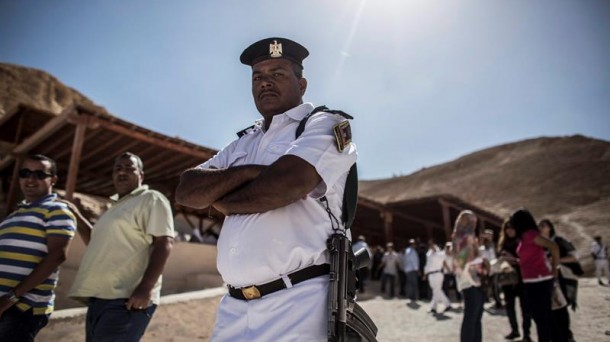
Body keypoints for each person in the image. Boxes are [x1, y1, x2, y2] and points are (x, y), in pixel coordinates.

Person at [175, 37, 357, 340]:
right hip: (233, 307)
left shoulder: (325, 124)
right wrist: (248, 171)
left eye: (277, 74)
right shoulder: (244, 142)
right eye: (258, 76)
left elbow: (287, 184)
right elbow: (187, 191)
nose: (265, 83)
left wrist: (223, 199)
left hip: (299, 301)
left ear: (302, 84)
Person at [69, 152, 175, 341]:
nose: (122, 172)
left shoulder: (151, 198)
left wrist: (146, 287)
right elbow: (94, 242)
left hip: (127, 300)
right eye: (118, 168)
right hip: (99, 297)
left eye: (129, 168)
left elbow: (164, 243)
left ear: (141, 175)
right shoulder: (115, 207)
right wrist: (76, 215)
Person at [0, 154, 76, 341]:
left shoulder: (56, 210)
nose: (31, 179)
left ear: (53, 179)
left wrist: (10, 298)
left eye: (40, 174)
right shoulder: (13, 216)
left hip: (21, 308)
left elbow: (57, 255)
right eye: (25, 173)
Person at [511, 208, 559, 342]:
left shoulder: (531, 234)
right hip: (531, 280)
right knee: (541, 316)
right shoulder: (524, 237)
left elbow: (553, 247)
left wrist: (555, 268)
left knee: (541, 317)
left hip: (540, 279)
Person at [452, 210, 488, 342]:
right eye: (470, 221)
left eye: (474, 221)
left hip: (477, 279)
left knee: (477, 317)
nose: (473, 224)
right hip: (468, 280)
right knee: (471, 317)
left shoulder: (471, 237)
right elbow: (460, 261)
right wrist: (473, 253)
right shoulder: (460, 237)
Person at [539, 219, 577, 342]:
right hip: (545, 280)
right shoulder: (538, 244)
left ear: (550, 227)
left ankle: (566, 335)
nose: (541, 228)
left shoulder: (559, 241)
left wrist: (556, 260)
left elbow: (573, 257)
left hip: (561, 279)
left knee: (561, 310)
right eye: (539, 226)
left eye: (543, 225)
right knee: (549, 312)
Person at [497, 219, 532, 341]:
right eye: (507, 228)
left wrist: (512, 259)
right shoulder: (503, 244)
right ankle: (515, 330)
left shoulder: (522, 242)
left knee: (525, 308)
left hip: (522, 278)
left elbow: (525, 259)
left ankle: (527, 334)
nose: (509, 230)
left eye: (512, 227)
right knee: (509, 307)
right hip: (507, 279)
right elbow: (501, 259)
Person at [423, 239, 452, 313]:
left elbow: (446, 253)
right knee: (436, 291)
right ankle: (434, 307)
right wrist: (425, 274)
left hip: (438, 274)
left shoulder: (440, 254)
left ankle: (446, 304)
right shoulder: (429, 255)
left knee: (437, 290)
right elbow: (427, 266)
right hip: (430, 274)